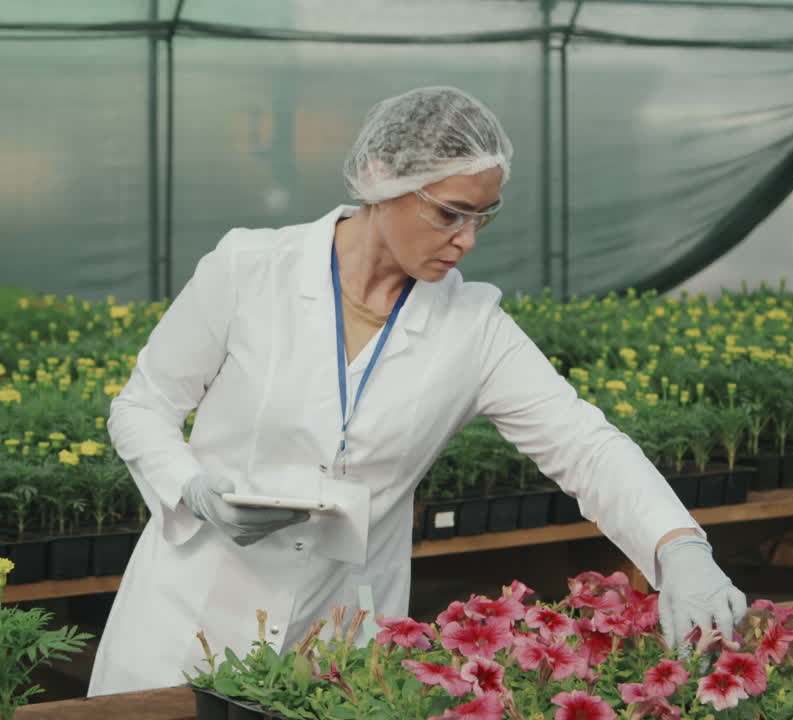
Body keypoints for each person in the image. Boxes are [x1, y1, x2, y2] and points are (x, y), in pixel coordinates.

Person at [87, 86, 747, 697]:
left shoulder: (474, 329)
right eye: (448, 214)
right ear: (380, 176)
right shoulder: (250, 270)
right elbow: (141, 406)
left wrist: (679, 546)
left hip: (336, 631)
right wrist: (193, 490)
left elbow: (584, 443)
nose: (465, 241)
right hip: (189, 612)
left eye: (482, 219)